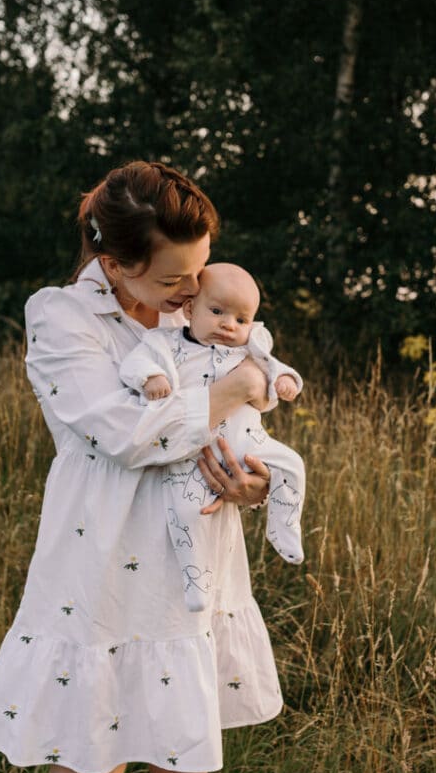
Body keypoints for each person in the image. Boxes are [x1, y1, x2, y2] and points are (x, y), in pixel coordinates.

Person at [0, 161, 283, 773]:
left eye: (200, 269)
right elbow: (120, 432)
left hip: (192, 562)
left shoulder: (197, 309)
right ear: (114, 263)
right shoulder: (62, 318)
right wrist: (236, 387)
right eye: (175, 278)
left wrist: (249, 481)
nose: (193, 290)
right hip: (103, 568)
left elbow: (224, 433)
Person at [117, 262, 305, 612]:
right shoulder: (166, 343)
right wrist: (151, 377)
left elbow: (275, 369)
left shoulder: (251, 348)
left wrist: (286, 382)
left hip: (247, 442)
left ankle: (284, 524)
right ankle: (196, 580)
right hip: (191, 451)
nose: (228, 325)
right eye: (217, 312)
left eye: (240, 319)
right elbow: (135, 363)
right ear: (190, 310)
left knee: (292, 465)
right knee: (187, 511)